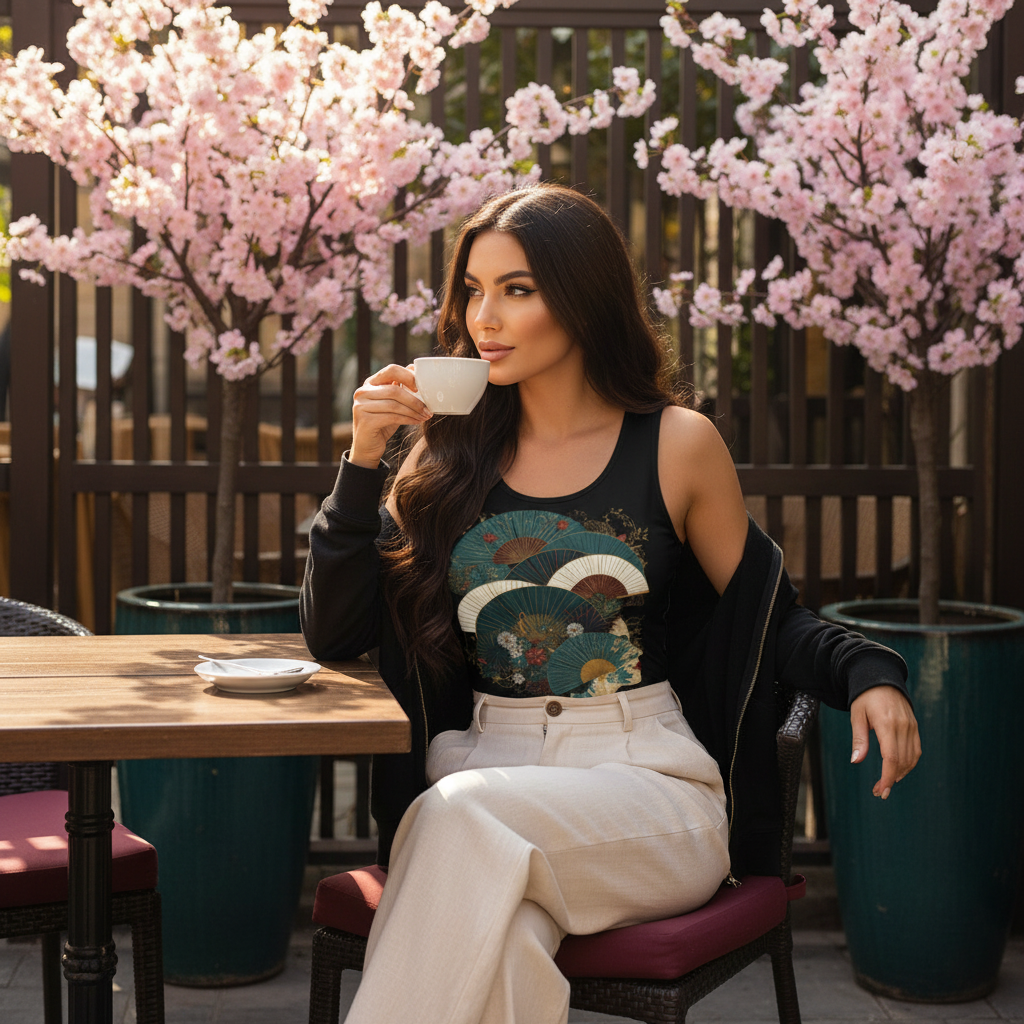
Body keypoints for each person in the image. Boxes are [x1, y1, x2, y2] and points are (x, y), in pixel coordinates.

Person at [300, 182, 921, 1024]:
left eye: (517, 290)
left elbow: (769, 618)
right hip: (484, 763)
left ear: (584, 298)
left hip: (646, 784)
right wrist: (363, 460)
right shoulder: (445, 456)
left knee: (453, 819)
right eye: (474, 290)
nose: (485, 316)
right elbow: (334, 632)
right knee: (504, 939)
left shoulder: (677, 444)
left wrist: (870, 671)